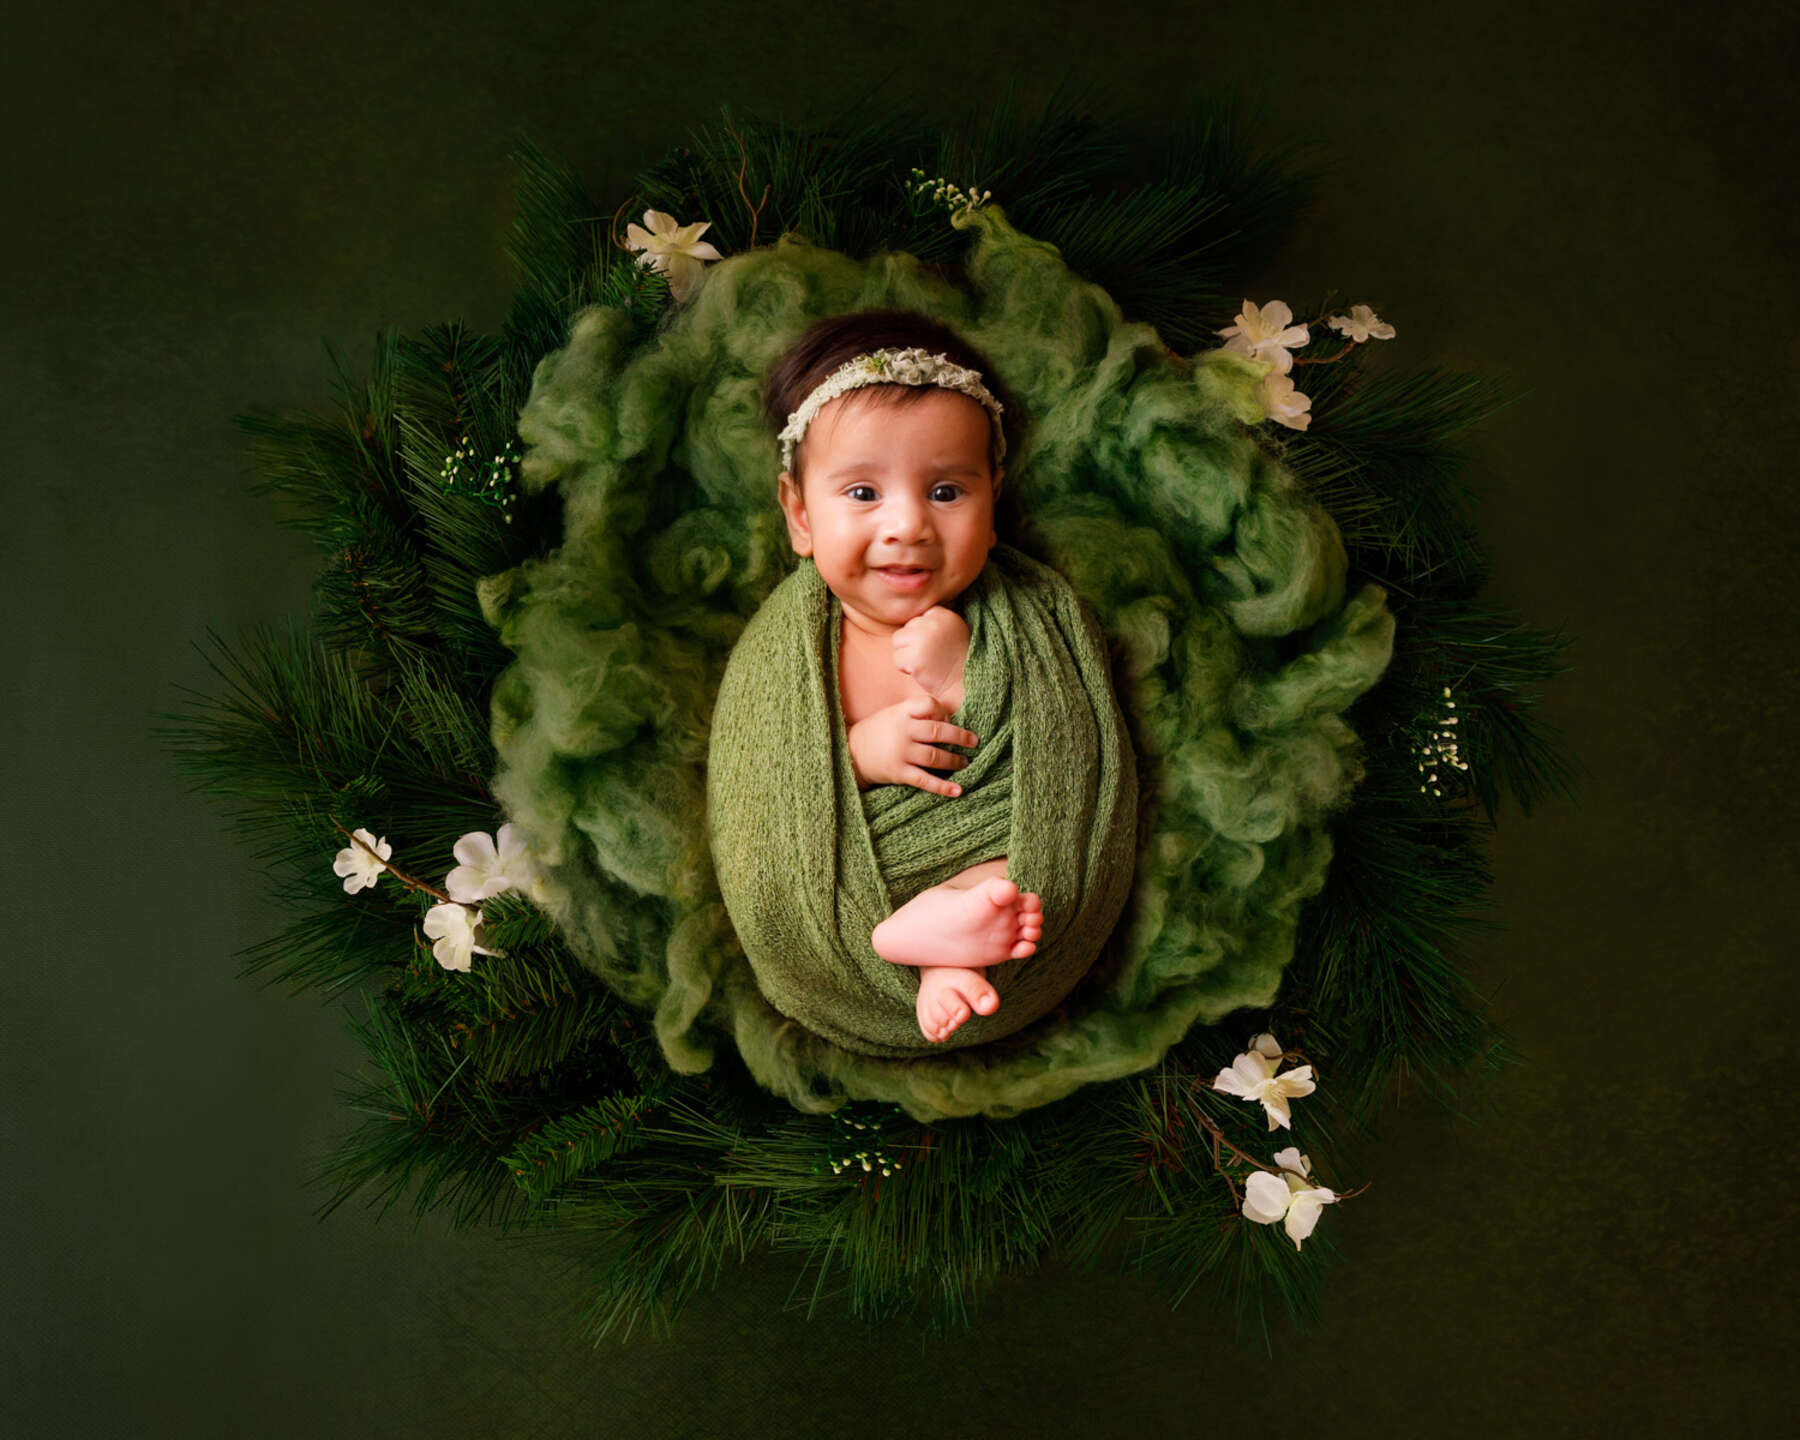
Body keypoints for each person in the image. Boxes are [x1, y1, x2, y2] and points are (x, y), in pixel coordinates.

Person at [765, 311, 1044, 1044]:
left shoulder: (1025, 622)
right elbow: (767, 788)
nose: (908, 525)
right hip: (858, 886)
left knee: (1029, 879)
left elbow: (1059, 748)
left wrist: (964, 677)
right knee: (995, 899)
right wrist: (856, 755)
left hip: (986, 864)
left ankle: (943, 950)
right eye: (863, 494)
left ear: (993, 504)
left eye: (946, 492)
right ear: (800, 515)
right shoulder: (789, 654)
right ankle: (922, 939)